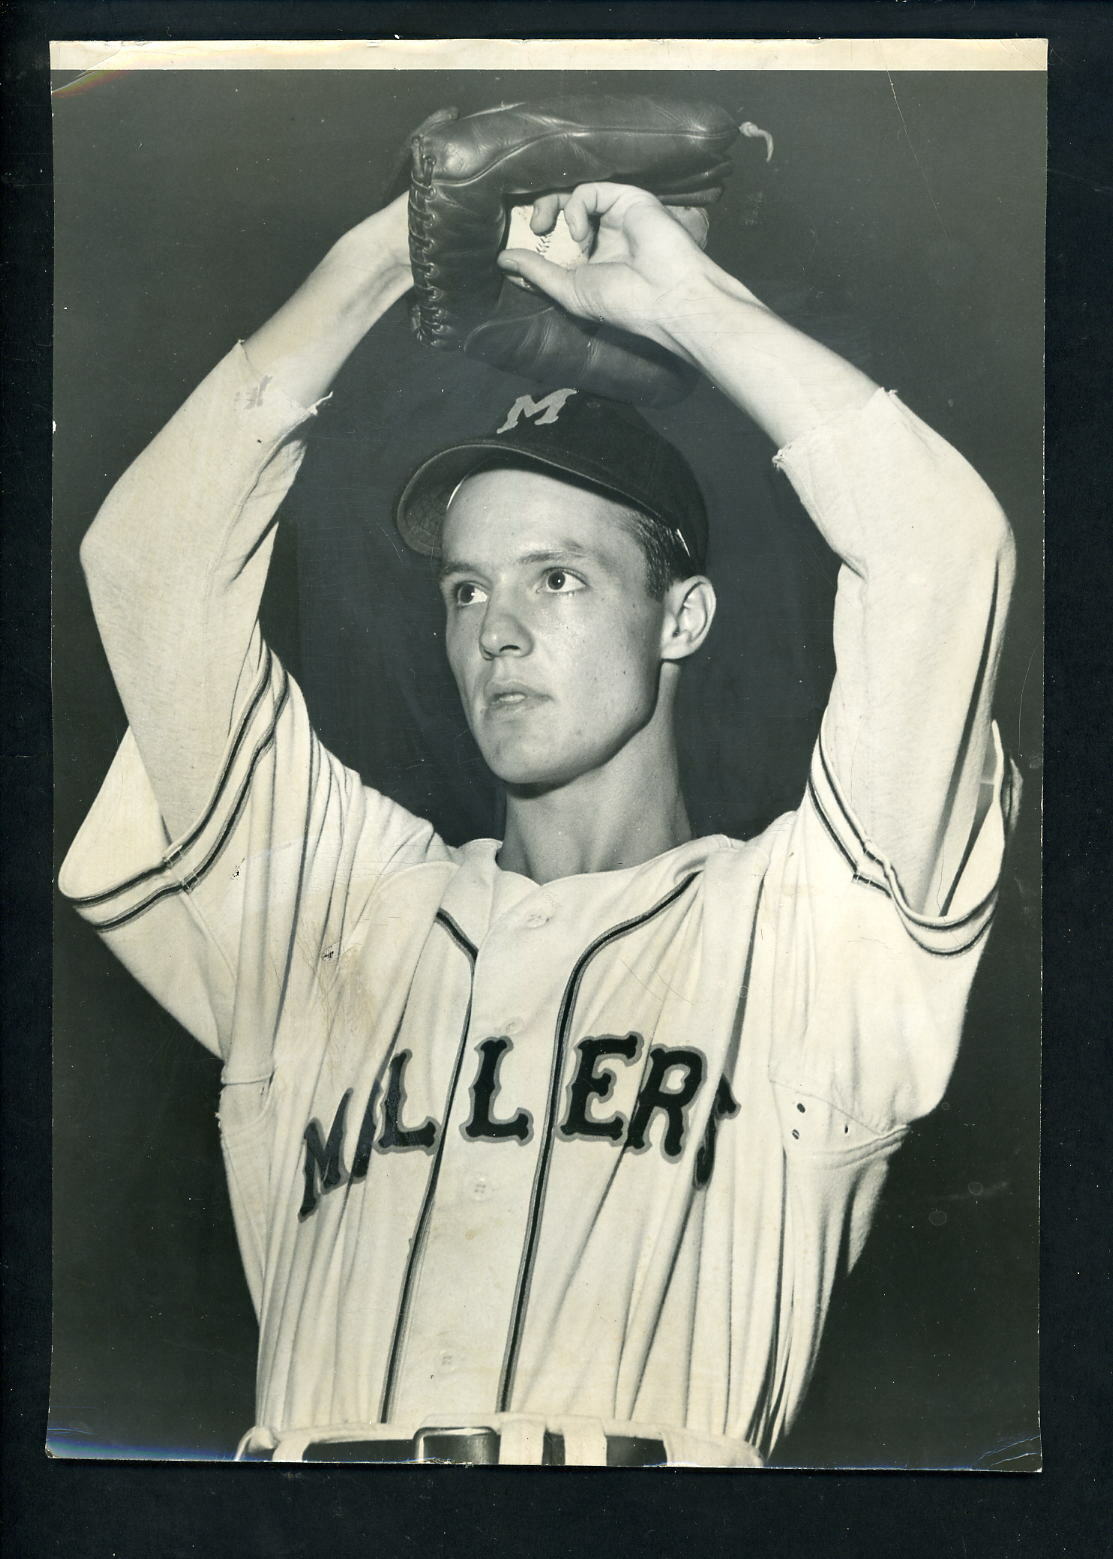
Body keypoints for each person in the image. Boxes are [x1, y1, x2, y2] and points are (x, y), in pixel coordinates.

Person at [60, 181, 1017, 1467]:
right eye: (466, 588)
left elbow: (941, 558)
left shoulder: (816, 930)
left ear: (681, 617)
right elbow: (148, 568)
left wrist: (686, 302)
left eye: (558, 576)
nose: (494, 628)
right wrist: (385, 255)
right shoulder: (333, 904)